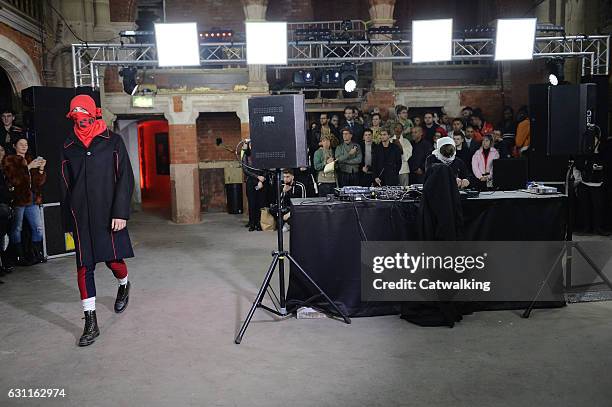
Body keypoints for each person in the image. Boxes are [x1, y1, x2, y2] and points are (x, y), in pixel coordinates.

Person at [61, 95, 135, 347]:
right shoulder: (68, 145)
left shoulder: (112, 142)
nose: (81, 120)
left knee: (113, 261)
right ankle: (90, 322)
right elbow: (65, 185)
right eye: (76, 115)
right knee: (84, 267)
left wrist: (121, 212)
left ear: (94, 113)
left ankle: (124, 284)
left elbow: (125, 177)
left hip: (109, 214)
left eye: (85, 114)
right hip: (80, 215)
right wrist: (67, 221)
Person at [2, 136, 46, 266]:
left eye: (26, 144)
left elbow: (39, 182)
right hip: (18, 199)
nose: (24, 146)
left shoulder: (30, 159)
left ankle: (36, 254)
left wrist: (41, 169)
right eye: (21, 144)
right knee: (17, 228)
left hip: (32, 198)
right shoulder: (9, 160)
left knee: (38, 228)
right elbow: (14, 180)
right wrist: (28, 167)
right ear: (15, 146)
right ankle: (19, 257)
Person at [573, 132, 609, 235]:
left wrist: (601, 167)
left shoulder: (603, 152)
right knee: (585, 207)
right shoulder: (583, 152)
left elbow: (607, 164)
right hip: (585, 182)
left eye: (596, 140)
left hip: (598, 183)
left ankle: (598, 228)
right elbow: (579, 164)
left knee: (598, 207)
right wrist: (589, 167)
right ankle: (586, 227)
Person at [242, 140, 266, 232]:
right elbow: (245, 170)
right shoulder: (246, 155)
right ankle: (252, 223)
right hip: (251, 181)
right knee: (252, 203)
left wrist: (262, 179)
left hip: (261, 181)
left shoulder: (262, 155)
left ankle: (259, 223)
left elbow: (266, 168)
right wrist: (257, 177)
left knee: (261, 203)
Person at [0, 145, 12, 280]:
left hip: (7, 205)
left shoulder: (8, 165)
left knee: (4, 236)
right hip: (3, 205)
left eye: (2, 150)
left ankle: (5, 264)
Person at [391, 122, 412, 186]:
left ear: (402, 130)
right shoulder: (389, 140)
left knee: (404, 190)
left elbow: (407, 156)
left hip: (403, 169)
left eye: (400, 128)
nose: (397, 130)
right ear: (393, 129)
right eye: (396, 128)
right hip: (391, 170)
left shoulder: (406, 141)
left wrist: (400, 146)